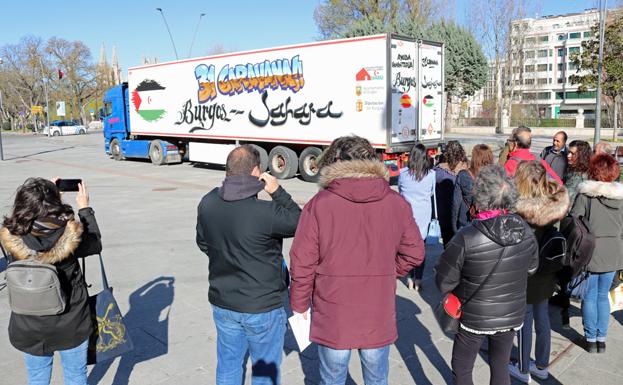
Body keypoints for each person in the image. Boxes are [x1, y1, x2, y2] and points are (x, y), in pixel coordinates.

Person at [289, 135, 425, 385]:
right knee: (376, 378)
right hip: (377, 311)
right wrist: (389, 271)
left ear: (338, 161)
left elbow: (302, 262)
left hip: (333, 311)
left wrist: (299, 305)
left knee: (332, 379)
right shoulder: (396, 203)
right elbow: (415, 252)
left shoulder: (320, 204)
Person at [196, 145, 301, 384]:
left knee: (229, 364)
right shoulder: (266, 212)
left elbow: (203, 243)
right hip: (262, 306)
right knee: (265, 371)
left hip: (223, 301)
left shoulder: (208, 201)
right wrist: (277, 191)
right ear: (256, 172)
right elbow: (300, 220)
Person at [435, 165, 539, 385]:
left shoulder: (467, 236)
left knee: (462, 367)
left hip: (475, 314)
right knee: (500, 365)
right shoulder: (526, 231)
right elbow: (531, 269)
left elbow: (444, 280)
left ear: (479, 196)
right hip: (511, 312)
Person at [0, 177, 102, 385]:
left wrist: (48, 199)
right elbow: (96, 244)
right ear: (54, 204)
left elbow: (23, 222)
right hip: (71, 324)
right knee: (75, 375)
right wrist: (85, 209)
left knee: (37, 378)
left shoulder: (12, 236)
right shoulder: (72, 235)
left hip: (28, 326)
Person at [508, 161, 570, 383]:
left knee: (523, 322)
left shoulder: (520, 209)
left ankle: (523, 369)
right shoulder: (552, 203)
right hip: (546, 270)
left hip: (524, 273)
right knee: (542, 318)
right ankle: (542, 365)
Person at [570, 153, 623, 353]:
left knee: (590, 296)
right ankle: (601, 339)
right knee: (603, 295)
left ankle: (590, 338)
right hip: (614, 251)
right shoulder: (621, 198)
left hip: (590, 250)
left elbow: (574, 220)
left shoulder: (586, 195)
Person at [398, 143, 436, 291]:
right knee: (421, 249)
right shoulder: (431, 175)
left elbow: (401, 190)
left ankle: (409, 278)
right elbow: (432, 193)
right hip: (424, 217)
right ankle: (418, 280)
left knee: (407, 249)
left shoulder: (403, 173)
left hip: (407, 217)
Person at [452, 144, 494, 233]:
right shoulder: (495, 177)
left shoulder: (464, 175)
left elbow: (456, 203)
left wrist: (453, 227)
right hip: (488, 222)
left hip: (466, 222)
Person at [435, 140, 468, 247]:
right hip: (462, 215)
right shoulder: (467, 171)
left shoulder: (438, 172)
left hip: (444, 215)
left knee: (448, 244)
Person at [564, 140, 592, 204]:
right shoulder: (574, 169)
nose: (568, 155)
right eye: (569, 152)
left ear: (581, 156)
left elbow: (567, 199)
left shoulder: (579, 176)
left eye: (572, 153)